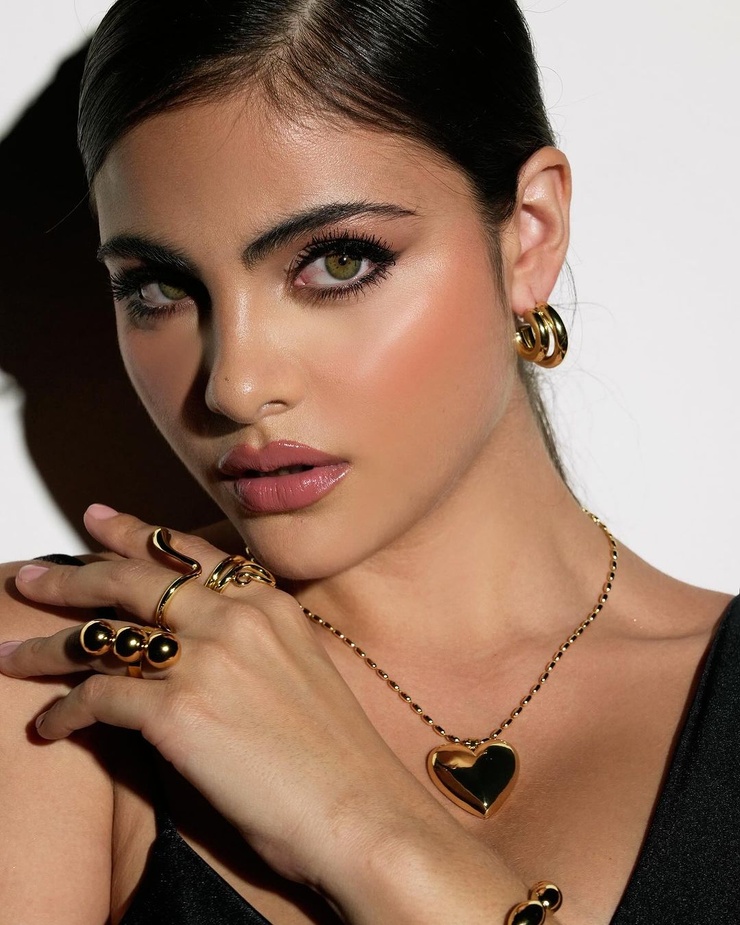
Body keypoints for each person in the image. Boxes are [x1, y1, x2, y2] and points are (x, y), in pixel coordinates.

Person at [0, 1, 736, 922]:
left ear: (529, 233)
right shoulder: (50, 671)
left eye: (338, 262)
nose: (235, 385)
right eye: (157, 287)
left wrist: (371, 836)